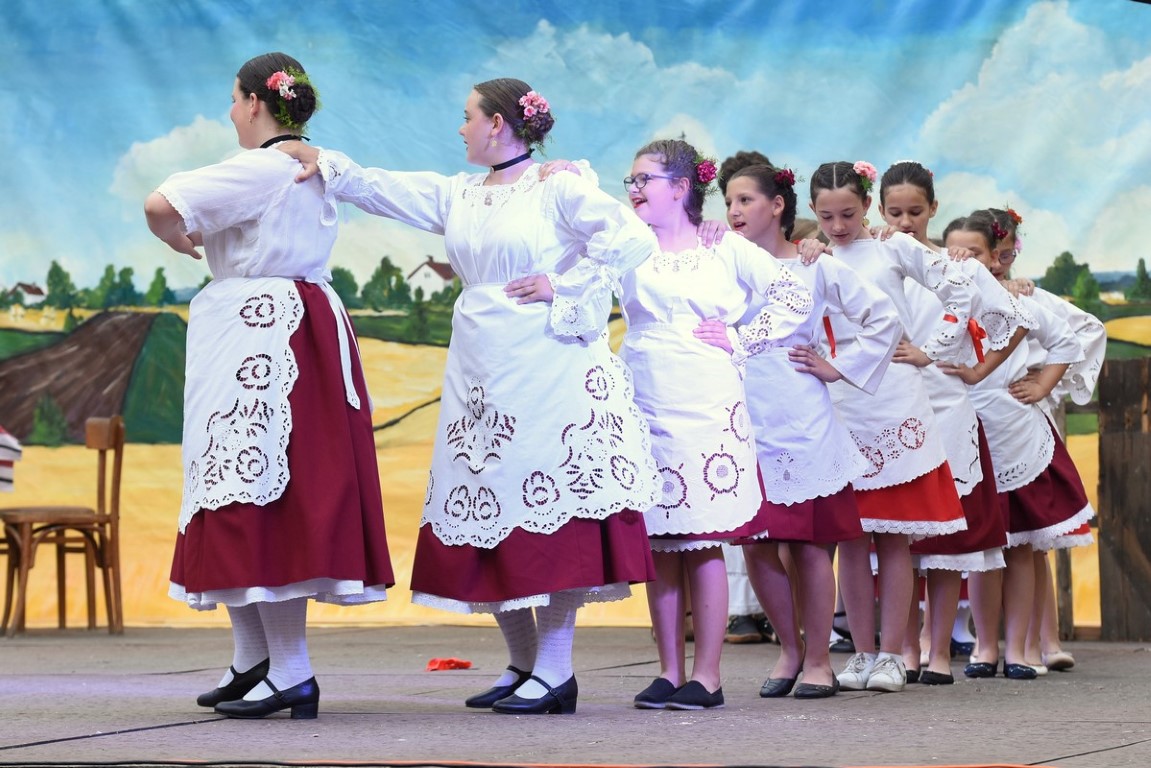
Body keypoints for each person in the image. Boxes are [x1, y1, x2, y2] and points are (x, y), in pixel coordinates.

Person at [283, 78, 662, 715]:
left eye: (467, 117)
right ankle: (522, 663)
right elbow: (381, 188)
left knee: (550, 509)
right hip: (480, 366)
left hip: (545, 364)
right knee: (487, 502)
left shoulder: (556, 186)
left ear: (498, 124)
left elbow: (630, 237)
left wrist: (566, 285)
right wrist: (321, 160)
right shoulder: (459, 193)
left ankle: (556, 672)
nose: (460, 128)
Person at [144, 52, 394, 720]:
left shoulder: (261, 167)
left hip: (262, 333)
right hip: (290, 327)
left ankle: (290, 670)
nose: (231, 111)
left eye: (234, 98)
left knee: (259, 491)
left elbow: (159, 204)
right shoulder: (310, 166)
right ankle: (254, 660)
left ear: (256, 102)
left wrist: (174, 238)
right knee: (239, 487)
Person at [804, 161, 1032, 693]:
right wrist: (808, 250)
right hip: (838, 404)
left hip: (894, 402)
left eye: (848, 214)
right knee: (851, 538)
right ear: (813, 212)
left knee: (894, 538)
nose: (838, 226)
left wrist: (932, 349)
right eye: (826, 216)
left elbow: (959, 286)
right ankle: (861, 653)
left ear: (867, 206)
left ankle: (892, 655)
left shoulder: (893, 247)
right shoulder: (813, 256)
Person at [618, 139, 814, 710]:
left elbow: (792, 295)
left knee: (702, 538)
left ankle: (707, 675)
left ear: (681, 187)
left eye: (646, 179)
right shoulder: (626, 244)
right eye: (631, 180)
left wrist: (740, 337)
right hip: (644, 392)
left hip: (705, 399)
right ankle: (668, 670)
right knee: (660, 539)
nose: (634, 189)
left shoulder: (722, 246)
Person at [703, 162, 900, 698]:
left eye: (746, 200)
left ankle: (818, 660)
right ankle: (789, 650)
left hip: (799, 418)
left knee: (810, 545)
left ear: (777, 205)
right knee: (755, 544)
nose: (734, 211)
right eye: (729, 201)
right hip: (740, 417)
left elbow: (882, 316)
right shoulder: (719, 264)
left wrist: (839, 367)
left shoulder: (814, 264)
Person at [876, 161, 1027, 684]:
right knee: (898, 540)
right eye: (894, 212)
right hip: (893, 411)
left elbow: (1014, 320)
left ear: (933, 209)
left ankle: (937, 649)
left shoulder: (954, 267)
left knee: (946, 542)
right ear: (879, 211)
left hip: (946, 407)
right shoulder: (870, 257)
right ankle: (904, 649)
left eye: (915, 211)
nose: (905, 222)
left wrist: (977, 372)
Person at [940, 211, 1093, 680]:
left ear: (996, 257)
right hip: (965, 434)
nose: (963, 261)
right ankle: (985, 647)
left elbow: (1067, 341)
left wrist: (1043, 385)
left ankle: (1021, 649)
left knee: (1021, 547)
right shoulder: (939, 300)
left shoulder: (1015, 302)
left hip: (1015, 435)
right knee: (982, 550)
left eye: (973, 253)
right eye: (953, 252)